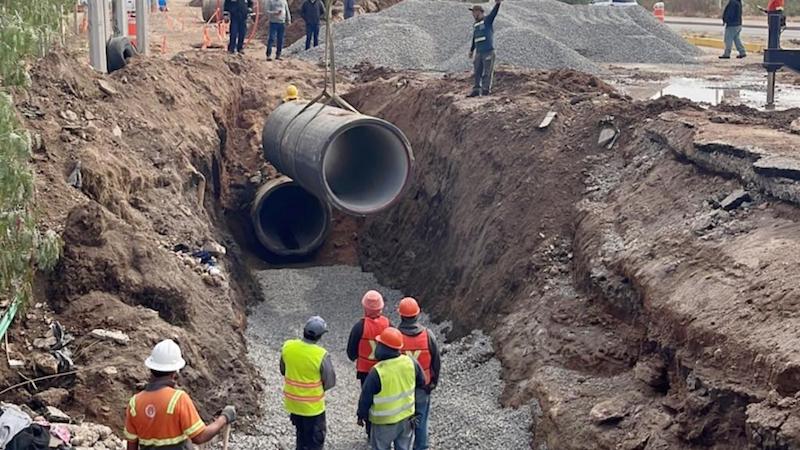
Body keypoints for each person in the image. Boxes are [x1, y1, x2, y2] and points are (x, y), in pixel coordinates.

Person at [124, 339, 236, 450]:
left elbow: (131, 446)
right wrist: (224, 417)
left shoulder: (134, 402)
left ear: (151, 368)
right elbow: (200, 437)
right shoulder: (178, 398)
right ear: (175, 372)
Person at [357, 328, 426, 450]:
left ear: (383, 348)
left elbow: (365, 398)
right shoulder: (411, 362)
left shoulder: (378, 371)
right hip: (407, 418)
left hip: (383, 423)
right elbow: (422, 382)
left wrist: (361, 415)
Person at [281, 316, 336, 450]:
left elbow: (283, 369)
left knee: (301, 435)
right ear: (320, 336)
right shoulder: (321, 354)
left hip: (293, 403)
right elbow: (330, 381)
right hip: (313, 408)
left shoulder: (288, 347)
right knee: (315, 441)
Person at [397, 298, 440, 450]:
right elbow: (436, 362)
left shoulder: (395, 337)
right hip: (423, 387)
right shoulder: (428, 335)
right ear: (418, 314)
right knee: (421, 420)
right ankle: (421, 447)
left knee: (402, 423)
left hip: (400, 389)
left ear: (400, 315)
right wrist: (433, 382)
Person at [348, 290, 391, 437]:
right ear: (381, 307)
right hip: (386, 370)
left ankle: (370, 429)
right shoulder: (387, 324)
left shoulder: (359, 327)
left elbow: (351, 352)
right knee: (384, 398)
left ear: (365, 307)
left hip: (366, 371)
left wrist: (358, 357)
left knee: (368, 398)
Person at [468, 0, 502, 97]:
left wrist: (498, 4)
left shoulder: (487, 20)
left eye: (474, 11)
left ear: (479, 12)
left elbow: (494, 13)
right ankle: (476, 90)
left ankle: (485, 90)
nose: (473, 14)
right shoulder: (475, 25)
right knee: (477, 72)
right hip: (479, 52)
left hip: (488, 51)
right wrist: (471, 50)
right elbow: (475, 38)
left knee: (487, 72)